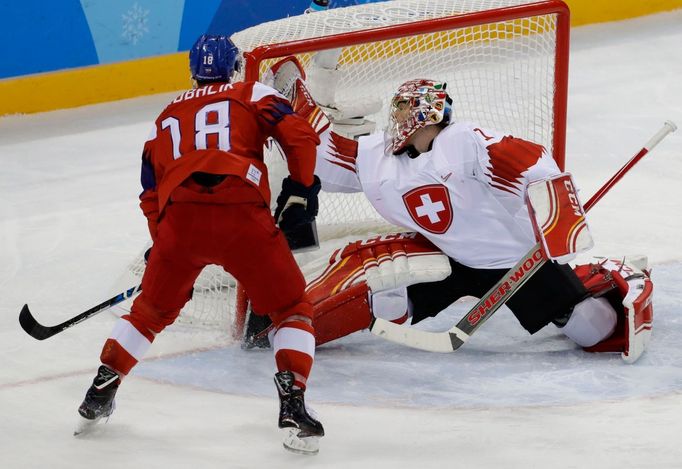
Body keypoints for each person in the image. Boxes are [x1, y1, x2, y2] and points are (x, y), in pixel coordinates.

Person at [245, 69, 653, 364]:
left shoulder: (463, 141)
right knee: (387, 300)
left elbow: (529, 161)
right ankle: (287, 325)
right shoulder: (381, 156)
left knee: (591, 327)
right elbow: (327, 159)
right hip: (447, 256)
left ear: (426, 112)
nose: (398, 118)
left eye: (405, 109)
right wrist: (290, 114)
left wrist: (554, 205)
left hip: (513, 263)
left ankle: (598, 283)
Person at [76, 35, 325, 454]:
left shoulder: (167, 113)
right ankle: (292, 402)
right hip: (241, 214)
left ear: (192, 72)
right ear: (232, 68)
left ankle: (101, 388)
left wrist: (164, 240)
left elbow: (149, 190)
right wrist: (302, 188)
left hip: (180, 223)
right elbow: (300, 135)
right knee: (290, 309)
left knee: (149, 313)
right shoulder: (251, 91)